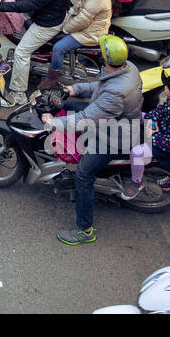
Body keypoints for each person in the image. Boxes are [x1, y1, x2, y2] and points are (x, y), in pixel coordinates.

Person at [43, 35, 142, 246]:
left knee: (83, 176)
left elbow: (85, 120)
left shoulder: (117, 92)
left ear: (105, 59)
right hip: (113, 119)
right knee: (70, 105)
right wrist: (74, 89)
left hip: (113, 137)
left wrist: (53, 124)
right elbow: (100, 85)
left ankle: (84, 230)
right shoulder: (127, 68)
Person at [0, 0, 71, 105]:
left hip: (47, 24)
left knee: (21, 53)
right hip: (57, 13)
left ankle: (18, 93)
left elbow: (27, 5)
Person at [122, 70, 170, 200]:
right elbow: (159, 112)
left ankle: (136, 182)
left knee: (137, 152)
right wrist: (149, 119)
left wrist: (154, 135)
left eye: (166, 87)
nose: (164, 87)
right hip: (163, 132)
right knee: (133, 114)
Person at [42, 0, 115, 90]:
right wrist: (70, 12)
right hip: (88, 27)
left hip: (90, 34)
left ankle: (52, 78)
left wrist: (66, 28)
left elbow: (83, 19)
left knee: (58, 47)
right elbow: (81, 5)